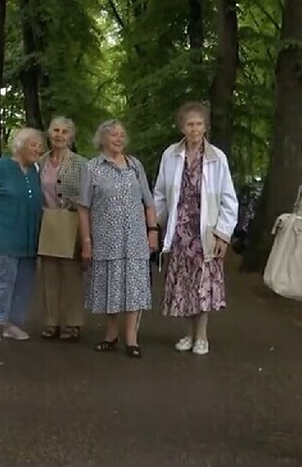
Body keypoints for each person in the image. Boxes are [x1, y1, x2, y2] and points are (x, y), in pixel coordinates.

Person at [152, 102, 238, 356]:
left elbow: (229, 199)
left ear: (205, 126)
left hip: (206, 232)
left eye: (199, 124)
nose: (195, 129)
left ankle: (202, 336)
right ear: (182, 127)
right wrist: (156, 226)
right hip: (180, 232)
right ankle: (188, 334)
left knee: (203, 286)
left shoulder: (216, 158)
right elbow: (160, 194)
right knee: (183, 286)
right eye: (190, 124)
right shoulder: (170, 155)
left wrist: (223, 233)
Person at [77, 119, 160, 359]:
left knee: (134, 287)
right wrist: (86, 241)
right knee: (109, 287)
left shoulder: (135, 166)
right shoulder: (91, 168)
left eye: (122, 134)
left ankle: (132, 338)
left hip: (134, 238)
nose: (119, 138)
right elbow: (83, 207)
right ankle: (111, 334)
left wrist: (152, 230)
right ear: (102, 139)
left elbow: (149, 201)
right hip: (105, 239)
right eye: (113, 134)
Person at [0, 128, 45, 343]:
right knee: (2, 280)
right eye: (33, 144)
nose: (37, 149)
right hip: (3, 234)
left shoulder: (34, 170)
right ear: (20, 145)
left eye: (40, 146)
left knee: (24, 282)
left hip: (28, 237)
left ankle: (10, 323)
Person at [36, 117, 88, 342]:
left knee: (71, 274)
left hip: (70, 219)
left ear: (71, 137)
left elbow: (87, 196)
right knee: (49, 274)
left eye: (64, 132)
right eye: (55, 130)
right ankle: (51, 321)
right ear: (49, 133)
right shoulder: (40, 161)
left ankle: (73, 323)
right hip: (47, 219)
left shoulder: (81, 163)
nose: (59, 135)